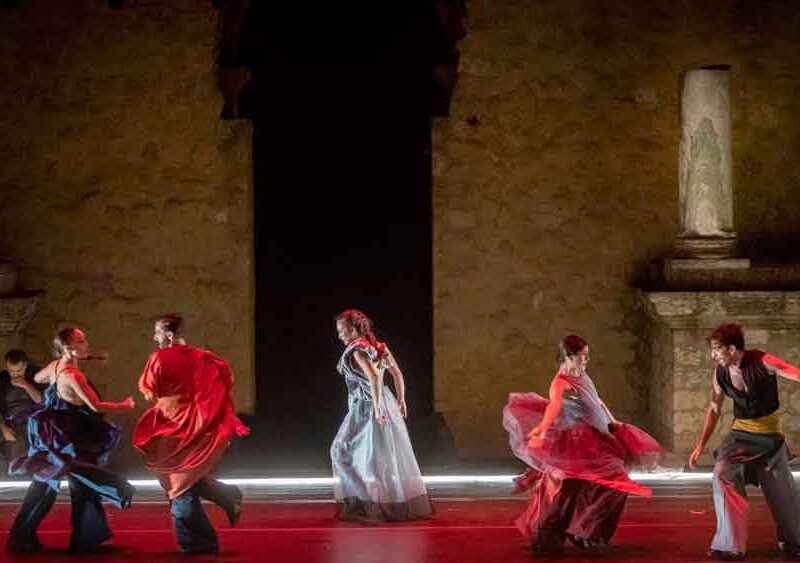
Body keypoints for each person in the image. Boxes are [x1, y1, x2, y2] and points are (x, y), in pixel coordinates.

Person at [503, 334, 661, 554]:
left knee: (586, 484)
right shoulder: (560, 381)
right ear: (569, 356)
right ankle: (570, 532)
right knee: (608, 481)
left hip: (600, 433)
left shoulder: (581, 373)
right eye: (582, 356)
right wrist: (542, 428)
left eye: (587, 355)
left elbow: (596, 400)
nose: (586, 360)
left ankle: (578, 531)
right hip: (583, 439)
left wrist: (612, 421)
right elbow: (554, 406)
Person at [6, 327, 136, 554]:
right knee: (57, 483)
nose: (87, 344)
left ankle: (31, 537)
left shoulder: (55, 367)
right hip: (67, 437)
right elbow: (96, 405)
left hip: (52, 432)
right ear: (68, 348)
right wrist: (125, 406)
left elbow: (37, 377)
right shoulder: (72, 375)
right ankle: (74, 539)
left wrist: (56, 392)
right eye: (81, 341)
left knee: (53, 484)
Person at [133, 314, 250, 554]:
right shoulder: (201, 357)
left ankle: (200, 541)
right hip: (195, 427)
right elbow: (226, 376)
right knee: (183, 479)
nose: (154, 337)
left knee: (178, 485)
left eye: (156, 333)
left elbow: (148, 390)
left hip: (172, 427)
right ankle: (226, 496)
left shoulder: (159, 357)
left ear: (168, 334)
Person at [689, 322, 800, 561]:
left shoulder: (763, 361)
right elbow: (714, 408)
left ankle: (794, 540)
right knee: (722, 473)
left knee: (783, 492)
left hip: (770, 438)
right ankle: (730, 544)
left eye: (716, 349)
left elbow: (794, 372)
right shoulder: (720, 373)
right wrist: (700, 445)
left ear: (731, 349)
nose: (713, 355)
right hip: (741, 435)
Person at [330, 309, 432, 521]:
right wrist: (401, 400)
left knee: (340, 451)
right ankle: (372, 499)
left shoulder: (356, 350)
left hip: (368, 406)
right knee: (378, 456)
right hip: (386, 403)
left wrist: (376, 407)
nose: (340, 336)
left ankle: (366, 501)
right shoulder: (378, 348)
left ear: (352, 330)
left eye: (342, 331)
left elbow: (375, 377)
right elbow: (396, 373)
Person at [0, 349, 44, 473]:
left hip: (36, 422)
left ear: (25, 366)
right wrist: (4, 429)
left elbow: (41, 400)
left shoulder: (37, 374)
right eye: (11, 371)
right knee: (18, 464)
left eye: (19, 371)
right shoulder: (3, 379)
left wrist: (25, 384)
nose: (15, 374)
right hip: (13, 424)